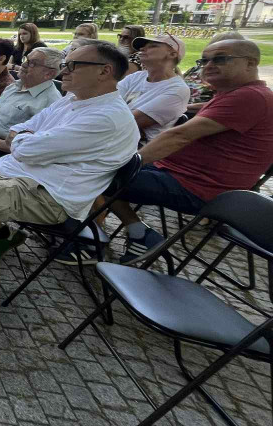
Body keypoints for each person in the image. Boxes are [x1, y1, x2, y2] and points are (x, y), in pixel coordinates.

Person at [0, 42, 138, 300]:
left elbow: (26, 146)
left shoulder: (106, 118)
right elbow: (22, 129)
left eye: (72, 65)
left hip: (47, 193)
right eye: (64, 64)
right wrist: (24, 139)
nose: (63, 71)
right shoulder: (73, 101)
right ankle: (0, 235)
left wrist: (24, 140)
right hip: (14, 169)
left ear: (104, 71)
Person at [108, 39, 273, 263]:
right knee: (97, 168)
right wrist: (185, 107)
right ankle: (130, 232)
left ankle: (126, 236)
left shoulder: (250, 97)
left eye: (220, 58)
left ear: (250, 63)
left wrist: (132, 163)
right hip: (178, 173)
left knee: (98, 174)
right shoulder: (239, 94)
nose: (209, 65)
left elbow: (178, 135)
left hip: (197, 187)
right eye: (204, 60)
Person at [116, 33, 189, 145]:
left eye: (152, 46)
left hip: (135, 149)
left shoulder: (177, 91)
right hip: (115, 139)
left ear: (173, 54)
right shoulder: (136, 77)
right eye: (143, 46)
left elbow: (127, 123)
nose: (142, 48)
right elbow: (105, 101)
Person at [182, 30, 244, 113]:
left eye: (220, 58)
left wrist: (182, 107)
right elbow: (180, 83)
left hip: (198, 116)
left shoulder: (235, 79)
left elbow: (225, 105)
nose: (209, 65)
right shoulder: (195, 69)